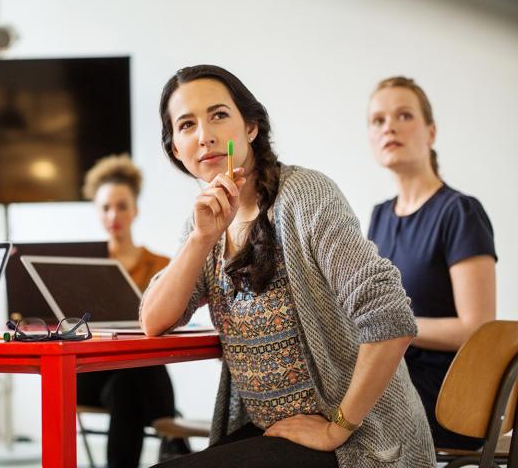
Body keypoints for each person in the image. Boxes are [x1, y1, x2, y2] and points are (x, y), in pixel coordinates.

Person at [140, 65, 435, 468]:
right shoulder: (203, 224)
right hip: (275, 434)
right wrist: (200, 239)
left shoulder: (304, 196)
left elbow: (390, 317)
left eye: (219, 115)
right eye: (187, 124)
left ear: (251, 128)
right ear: (175, 148)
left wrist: (338, 427)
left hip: (361, 443)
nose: (204, 135)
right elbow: (153, 320)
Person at [366, 76, 496, 449]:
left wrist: (396, 327)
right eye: (378, 120)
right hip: (394, 377)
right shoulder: (379, 217)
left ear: (430, 132)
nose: (389, 126)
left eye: (404, 115)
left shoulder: (460, 212)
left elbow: (478, 329)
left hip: (447, 395)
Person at [76, 154, 190, 468]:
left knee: (128, 379)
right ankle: (174, 436)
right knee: (132, 374)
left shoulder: (162, 266)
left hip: (131, 375)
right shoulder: (80, 266)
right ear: (97, 213)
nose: (114, 215)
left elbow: (171, 322)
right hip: (88, 373)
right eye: (105, 208)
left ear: (135, 209)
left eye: (122, 206)